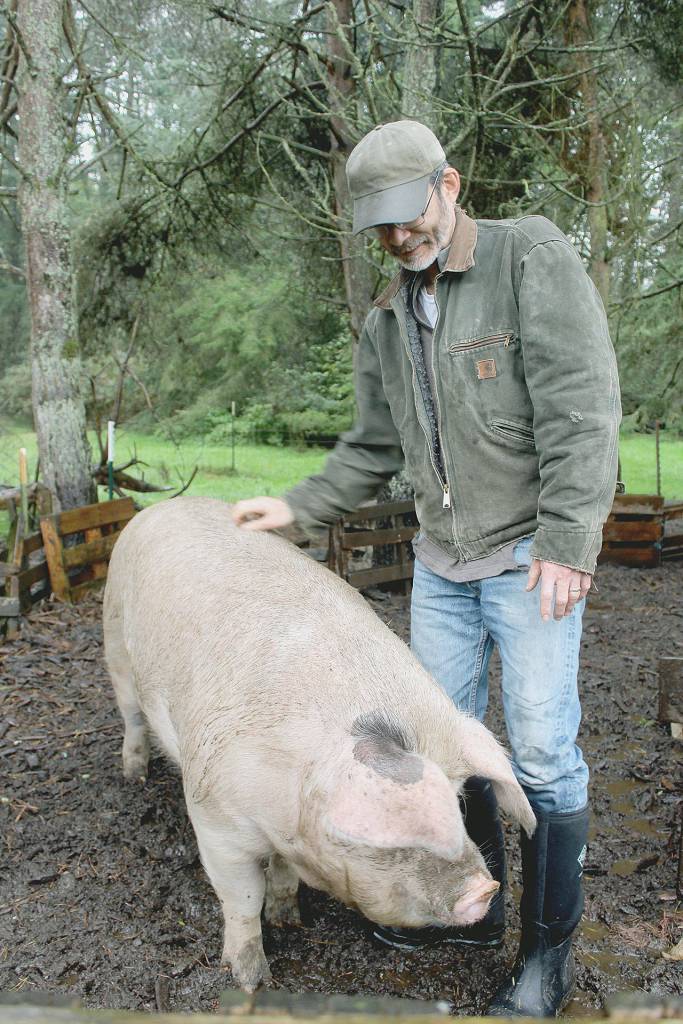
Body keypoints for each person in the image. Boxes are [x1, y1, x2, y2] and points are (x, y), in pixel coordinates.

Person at [232, 119, 621, 1017]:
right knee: (444, 746)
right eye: (381, 229)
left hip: (528, 555)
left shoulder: (529, 261)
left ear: (447, 185)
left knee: (540, 752)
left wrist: (569, 541)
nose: (399, 239)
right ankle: (475, 913)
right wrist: (298, 506)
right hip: (442, 565)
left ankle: (544, 956)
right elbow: (372, 444)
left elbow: (582, 410)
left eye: (408, 218)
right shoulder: (388, 314)